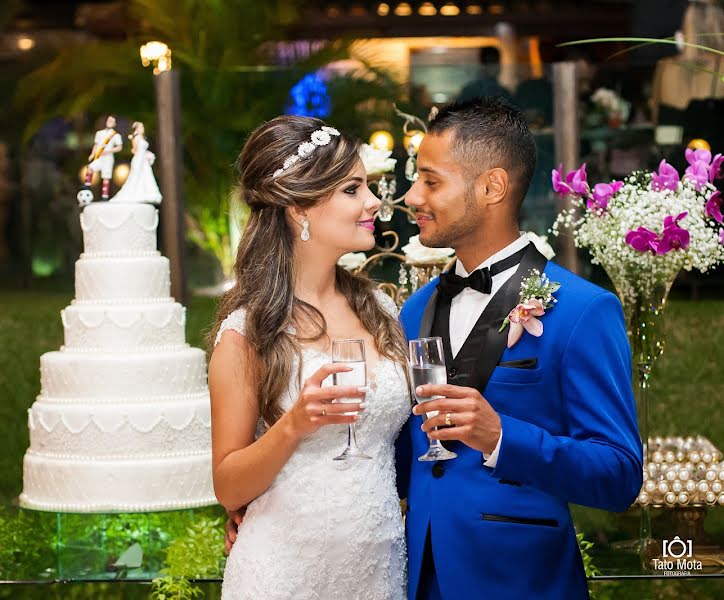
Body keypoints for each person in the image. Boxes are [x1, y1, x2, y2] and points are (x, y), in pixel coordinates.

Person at [397, 97, 643, 599]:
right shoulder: (412, 309)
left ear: (492, 187)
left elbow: (619, 474)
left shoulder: (581, 310)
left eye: (430, 180)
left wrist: (502, 437)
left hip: (522, 580)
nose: (410, 195)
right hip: (419, 578)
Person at [210, 115, 412, 600]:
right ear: (299, 209)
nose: (373, 202)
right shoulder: (249, 330)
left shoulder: (381, 309)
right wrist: (294, 424)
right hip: (284, 571)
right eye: (352, 189)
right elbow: (228, 487)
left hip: (378, 567)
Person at [111, 121, 162, 204]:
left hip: (144, 159)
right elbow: (134, 150)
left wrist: (147, 155)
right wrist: (142, 154)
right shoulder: (136, 138)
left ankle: (146, 193)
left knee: (145, 176)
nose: (142, 129)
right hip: (139, 159)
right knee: (137, 175)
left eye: (142, 127)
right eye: (140, 127)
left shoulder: (143, 138)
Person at [83, 115, 123, 202]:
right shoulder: (99, 133)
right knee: (90, 168)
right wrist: (92, 154)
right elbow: (96, 145)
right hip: (99, 157)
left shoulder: (115, 135)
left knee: (106, 177)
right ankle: (87, 185)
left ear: (114, 124)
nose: (109, 122)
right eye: (109, 120)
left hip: (108, 158)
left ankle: (105, 196)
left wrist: (108, 151)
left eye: (112, 121)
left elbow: (119, 147)